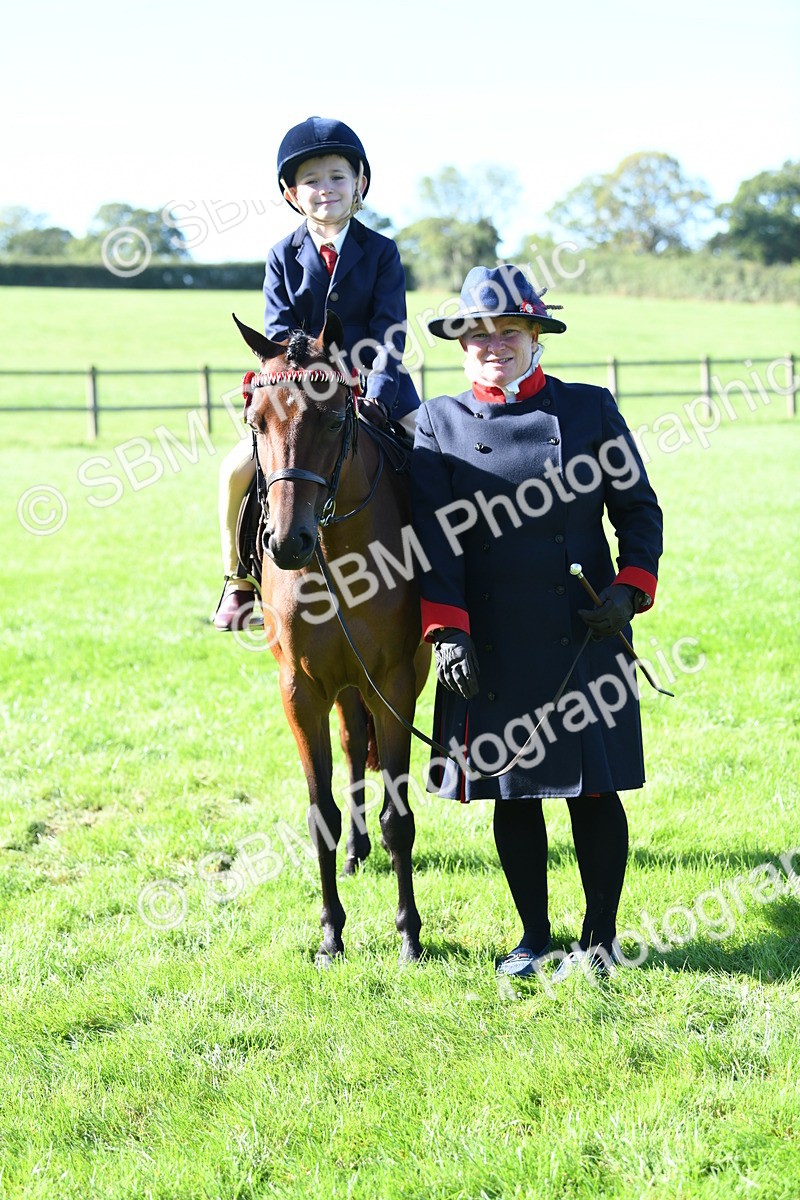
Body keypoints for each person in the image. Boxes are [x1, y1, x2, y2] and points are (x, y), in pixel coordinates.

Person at [410, 264, 663, 981]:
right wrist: (448, 631)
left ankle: (601, 938)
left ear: (534, 337)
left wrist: (629, 589)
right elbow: (434, 541)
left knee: (594, 792)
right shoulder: (438, 421)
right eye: (479, 335)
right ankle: (532, 937)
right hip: (489, 639)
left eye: (509, 332)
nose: (495, 346)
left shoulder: (589, 408)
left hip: (586, 628)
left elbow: (638, 509)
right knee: (513, 795)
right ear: (462, 345)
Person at [214, 116, 420, 630]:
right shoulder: (282, 255)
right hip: (300, 395)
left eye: (336, 177)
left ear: (360, 185)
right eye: (312, 180)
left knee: (435, 458)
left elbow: (390, 334)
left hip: (380, 387)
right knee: (236, 469)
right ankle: (237, 582)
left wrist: (374, 391)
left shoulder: (382, 252)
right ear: (291, 193)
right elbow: (281, 335)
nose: (325, 189)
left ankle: (445, 578)